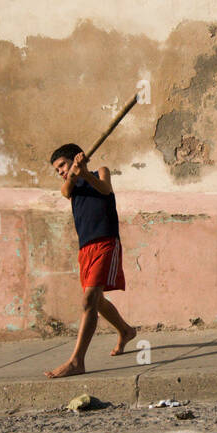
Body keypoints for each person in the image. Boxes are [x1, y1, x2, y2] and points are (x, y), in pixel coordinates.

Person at [44, 143, 137, 378]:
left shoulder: (100, 172)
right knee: (96, 300)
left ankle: (77, 361)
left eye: (63, 165)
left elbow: (105, 190)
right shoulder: (71, 185)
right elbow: (65, 192)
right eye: (57, 170)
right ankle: (125, 331)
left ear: (75, 159)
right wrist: (74, 176)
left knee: (89, 300)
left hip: (105, 242)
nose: (61, 171)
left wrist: (84, 172)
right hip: (85, 248)